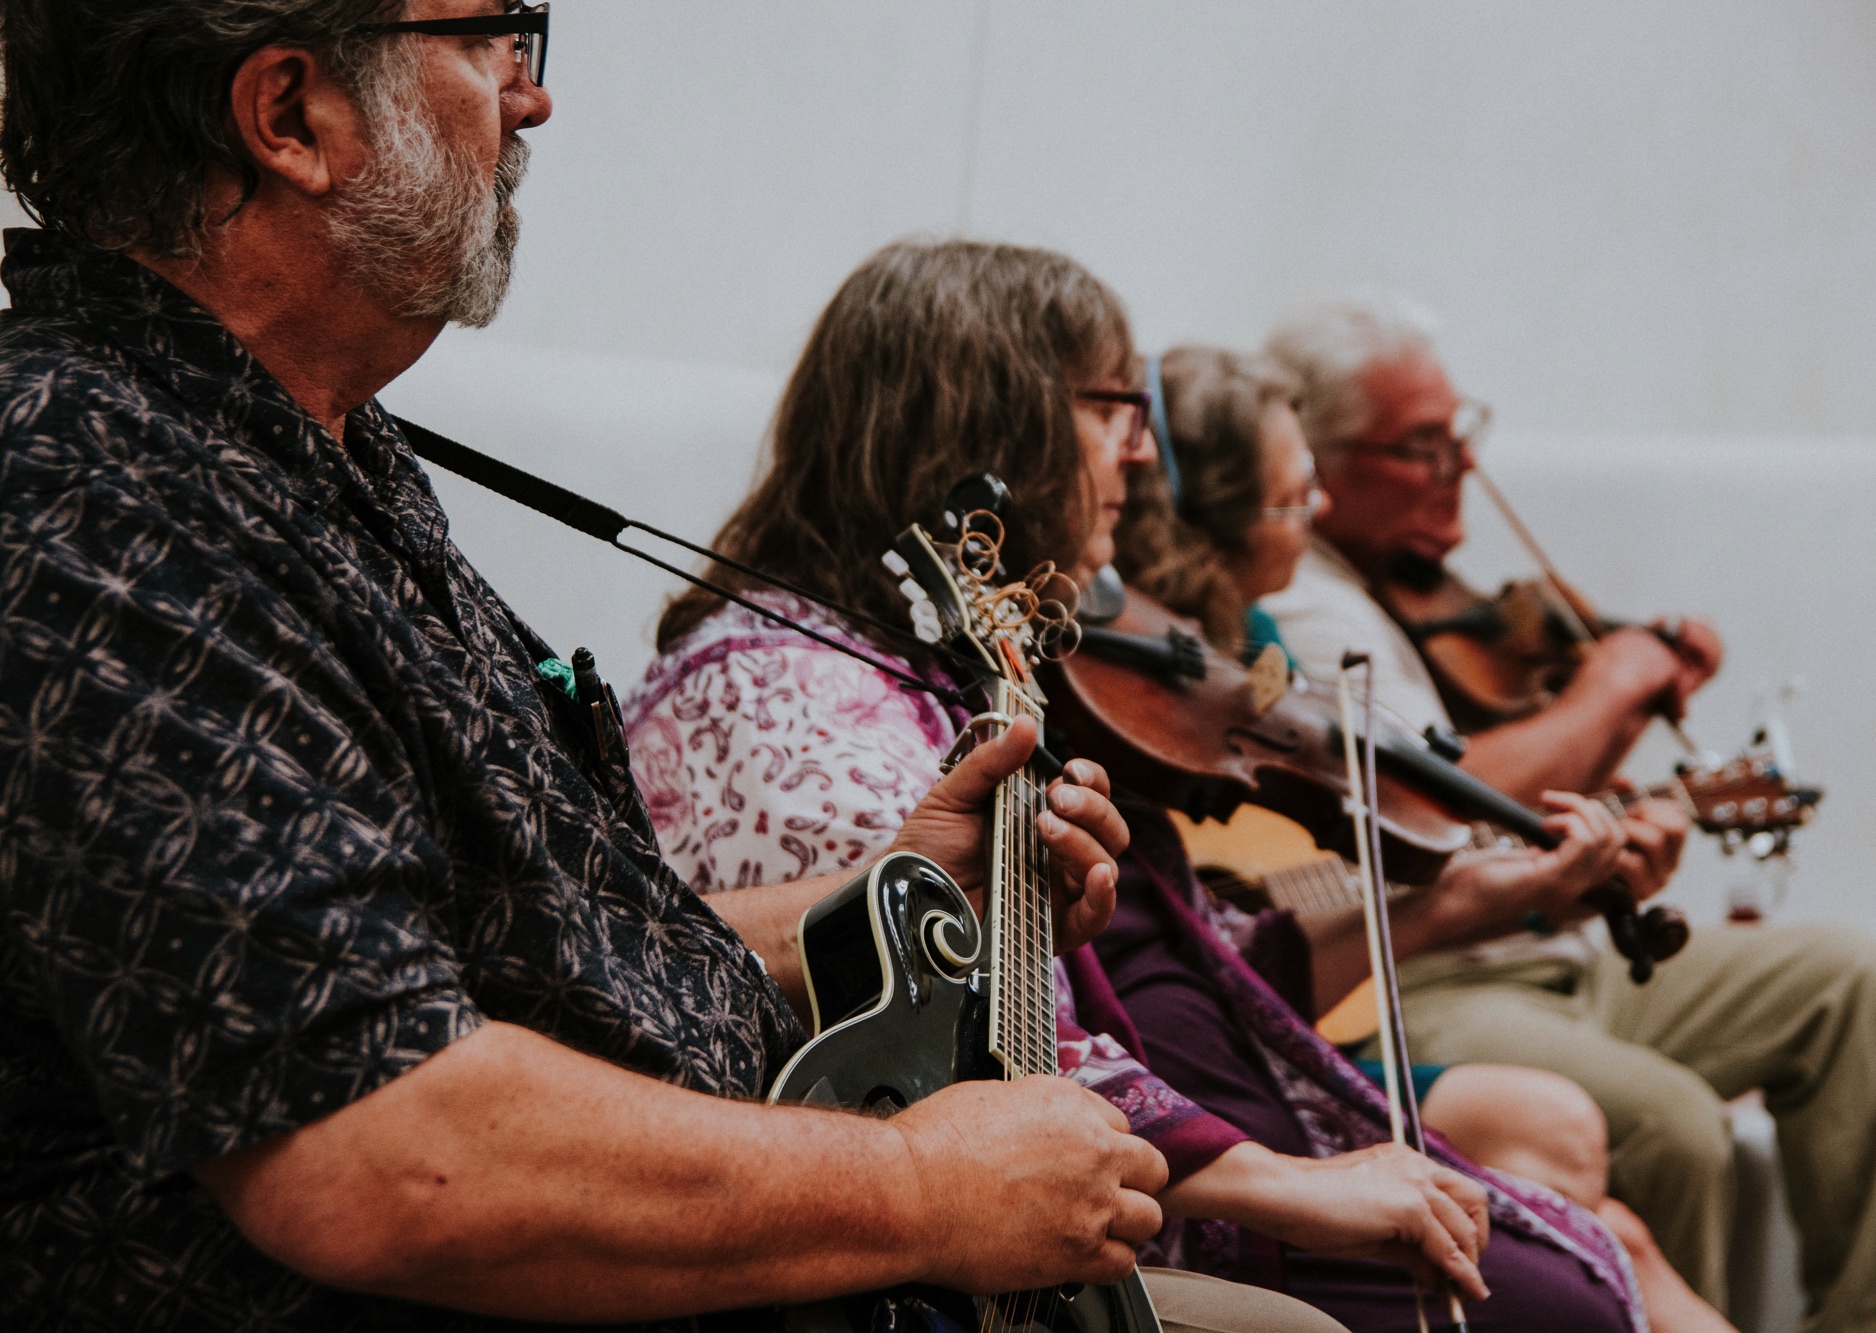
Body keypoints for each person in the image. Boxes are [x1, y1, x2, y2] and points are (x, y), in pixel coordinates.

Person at [0, 6, 1315, 1331]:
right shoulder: (87, 480)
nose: (532, 102)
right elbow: (379, 1154)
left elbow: (530, 953)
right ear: (290, 116)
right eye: (494, 40)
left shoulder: (305, 446)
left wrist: (887, 895)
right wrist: (918, 1184)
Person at [627, 238, 1662, 1333]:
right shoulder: (785, 695)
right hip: (882, 1251)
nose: (1137, 455)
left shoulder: (938, 668)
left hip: (1065, 1185)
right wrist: (1276, 1180)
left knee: (1576, 1267)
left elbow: (1164, 970)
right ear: (993, 431)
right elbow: (933, 1051)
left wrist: (1481, 896)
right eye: (1114, 409)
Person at [1261, 296, 1876, 1332]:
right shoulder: (1307, 601)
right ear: (1315, 462)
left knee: (1846, 980)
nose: (1456, 465)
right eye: (1418, 446)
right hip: (1424, 978)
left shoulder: (1420, 585)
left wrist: (1610, 828)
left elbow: (1527, 805)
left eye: (1461, 434)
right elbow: (1433, 803)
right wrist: (1614, 683)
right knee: (1670, 1117)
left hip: (1546, 952)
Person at [1112, 343, 1735, 1333]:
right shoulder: (1141, 695)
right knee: (1600, 1213)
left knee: (1574, 1169)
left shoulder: (1253, 640)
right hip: (1229, 1074)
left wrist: (1526, 884)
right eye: (1289, 500)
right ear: (1207, 525)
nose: (1313, 516)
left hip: (1281, 1025)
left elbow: (1262, 924)